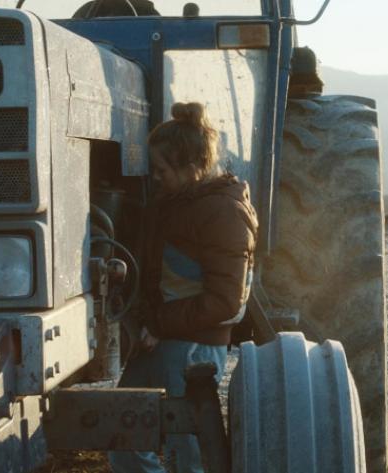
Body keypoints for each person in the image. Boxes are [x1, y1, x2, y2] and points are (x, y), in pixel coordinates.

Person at [108, 102, 258, 473]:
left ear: (193, 169)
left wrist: (159, 324)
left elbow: (225, 301)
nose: (154, 178)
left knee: (185, 452)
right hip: (161, 337)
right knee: (120, 432)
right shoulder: (176, 204)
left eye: (161, 170)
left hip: (195, 347)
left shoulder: (223, 213)